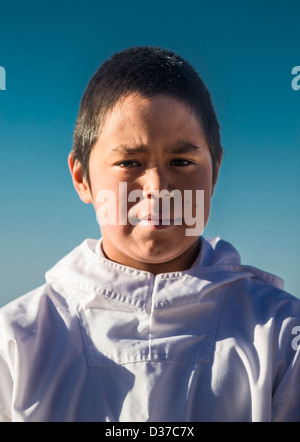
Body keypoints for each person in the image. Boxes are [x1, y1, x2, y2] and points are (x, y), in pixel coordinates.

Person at [0, 46, 299, 422]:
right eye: (129, 162)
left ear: (215, 170)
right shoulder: (15, 342)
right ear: (82, 178)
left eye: (181, 162)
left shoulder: (281, 335)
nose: (158, 187)